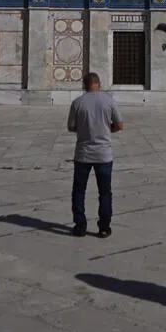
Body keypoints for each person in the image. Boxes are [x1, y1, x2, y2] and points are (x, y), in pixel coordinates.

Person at [67, 72, 123, 238]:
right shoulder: (109, 101)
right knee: (105, 192)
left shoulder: (77, 103)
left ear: (85, 85)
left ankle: (80, 226)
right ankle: (104, 227)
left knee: (79, 191)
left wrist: (84, 130)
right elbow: (120, 125)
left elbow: (71, 127)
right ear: (99, 84)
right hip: (103, 154)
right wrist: (107, 130)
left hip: (83, 154)